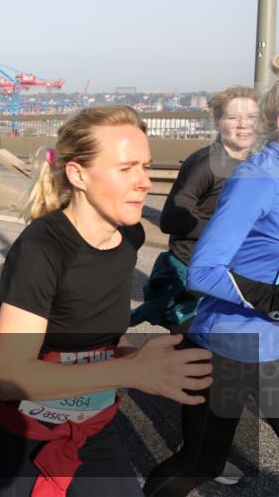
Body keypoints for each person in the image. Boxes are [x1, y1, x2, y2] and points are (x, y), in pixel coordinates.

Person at [0, 106, 213, 497]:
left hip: (90, 427)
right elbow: (11, 378)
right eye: (126, 168)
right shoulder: (40, 251)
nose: (145, 182)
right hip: (20, 432)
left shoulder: (129, 239)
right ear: (78, 174)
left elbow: (90, 337)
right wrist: (132, 373)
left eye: (146, 167)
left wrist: (135, 358)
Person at [144, 75, 279, 497]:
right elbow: (204, 272)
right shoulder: (259, 179)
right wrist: (274, 300)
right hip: (231, 347)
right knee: (201, 462)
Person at [132, 86, 259, 331]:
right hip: (192, 272)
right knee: (194, 355)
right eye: (233, 118)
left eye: (251, 117)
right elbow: (171, 219)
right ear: (218, 122)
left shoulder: (256, 162)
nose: (244, 125)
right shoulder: (208, 163)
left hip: (230, 271)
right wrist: (229, 229)